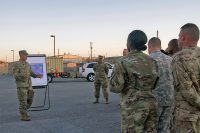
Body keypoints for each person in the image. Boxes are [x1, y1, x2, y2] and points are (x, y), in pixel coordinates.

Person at [109, 30, 159, 132]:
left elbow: (115, 88)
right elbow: (154, 84)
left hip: (133, 108)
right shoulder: (152, 61)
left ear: (130, 43)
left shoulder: (122, 62)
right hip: (151, 105)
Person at [172, 23, 200, 133]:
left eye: (179, 36)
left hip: (187, 117)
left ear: (183, 37)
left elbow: (187, 91)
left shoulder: (179, 58)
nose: (178, 39)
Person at [148, 37, 174, 133]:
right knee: (165, 128)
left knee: (151, 128)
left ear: (149, 46)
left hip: (154, 100)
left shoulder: (148, 60)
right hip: (170, 99)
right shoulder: (171, 60)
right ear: (160, 46)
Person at [13, 50, 42, 121]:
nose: (26, 56)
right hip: (21, 86)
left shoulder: (28, 64)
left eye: (26, 55)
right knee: (23, 101)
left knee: (30, 99)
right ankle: (23, 115)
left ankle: (23, 110)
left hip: (29, 85)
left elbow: (31, 73)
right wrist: (22, 76)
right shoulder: (17, 64)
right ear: (21, 55)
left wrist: (37, 76)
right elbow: (15, 75)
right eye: (25, 55)